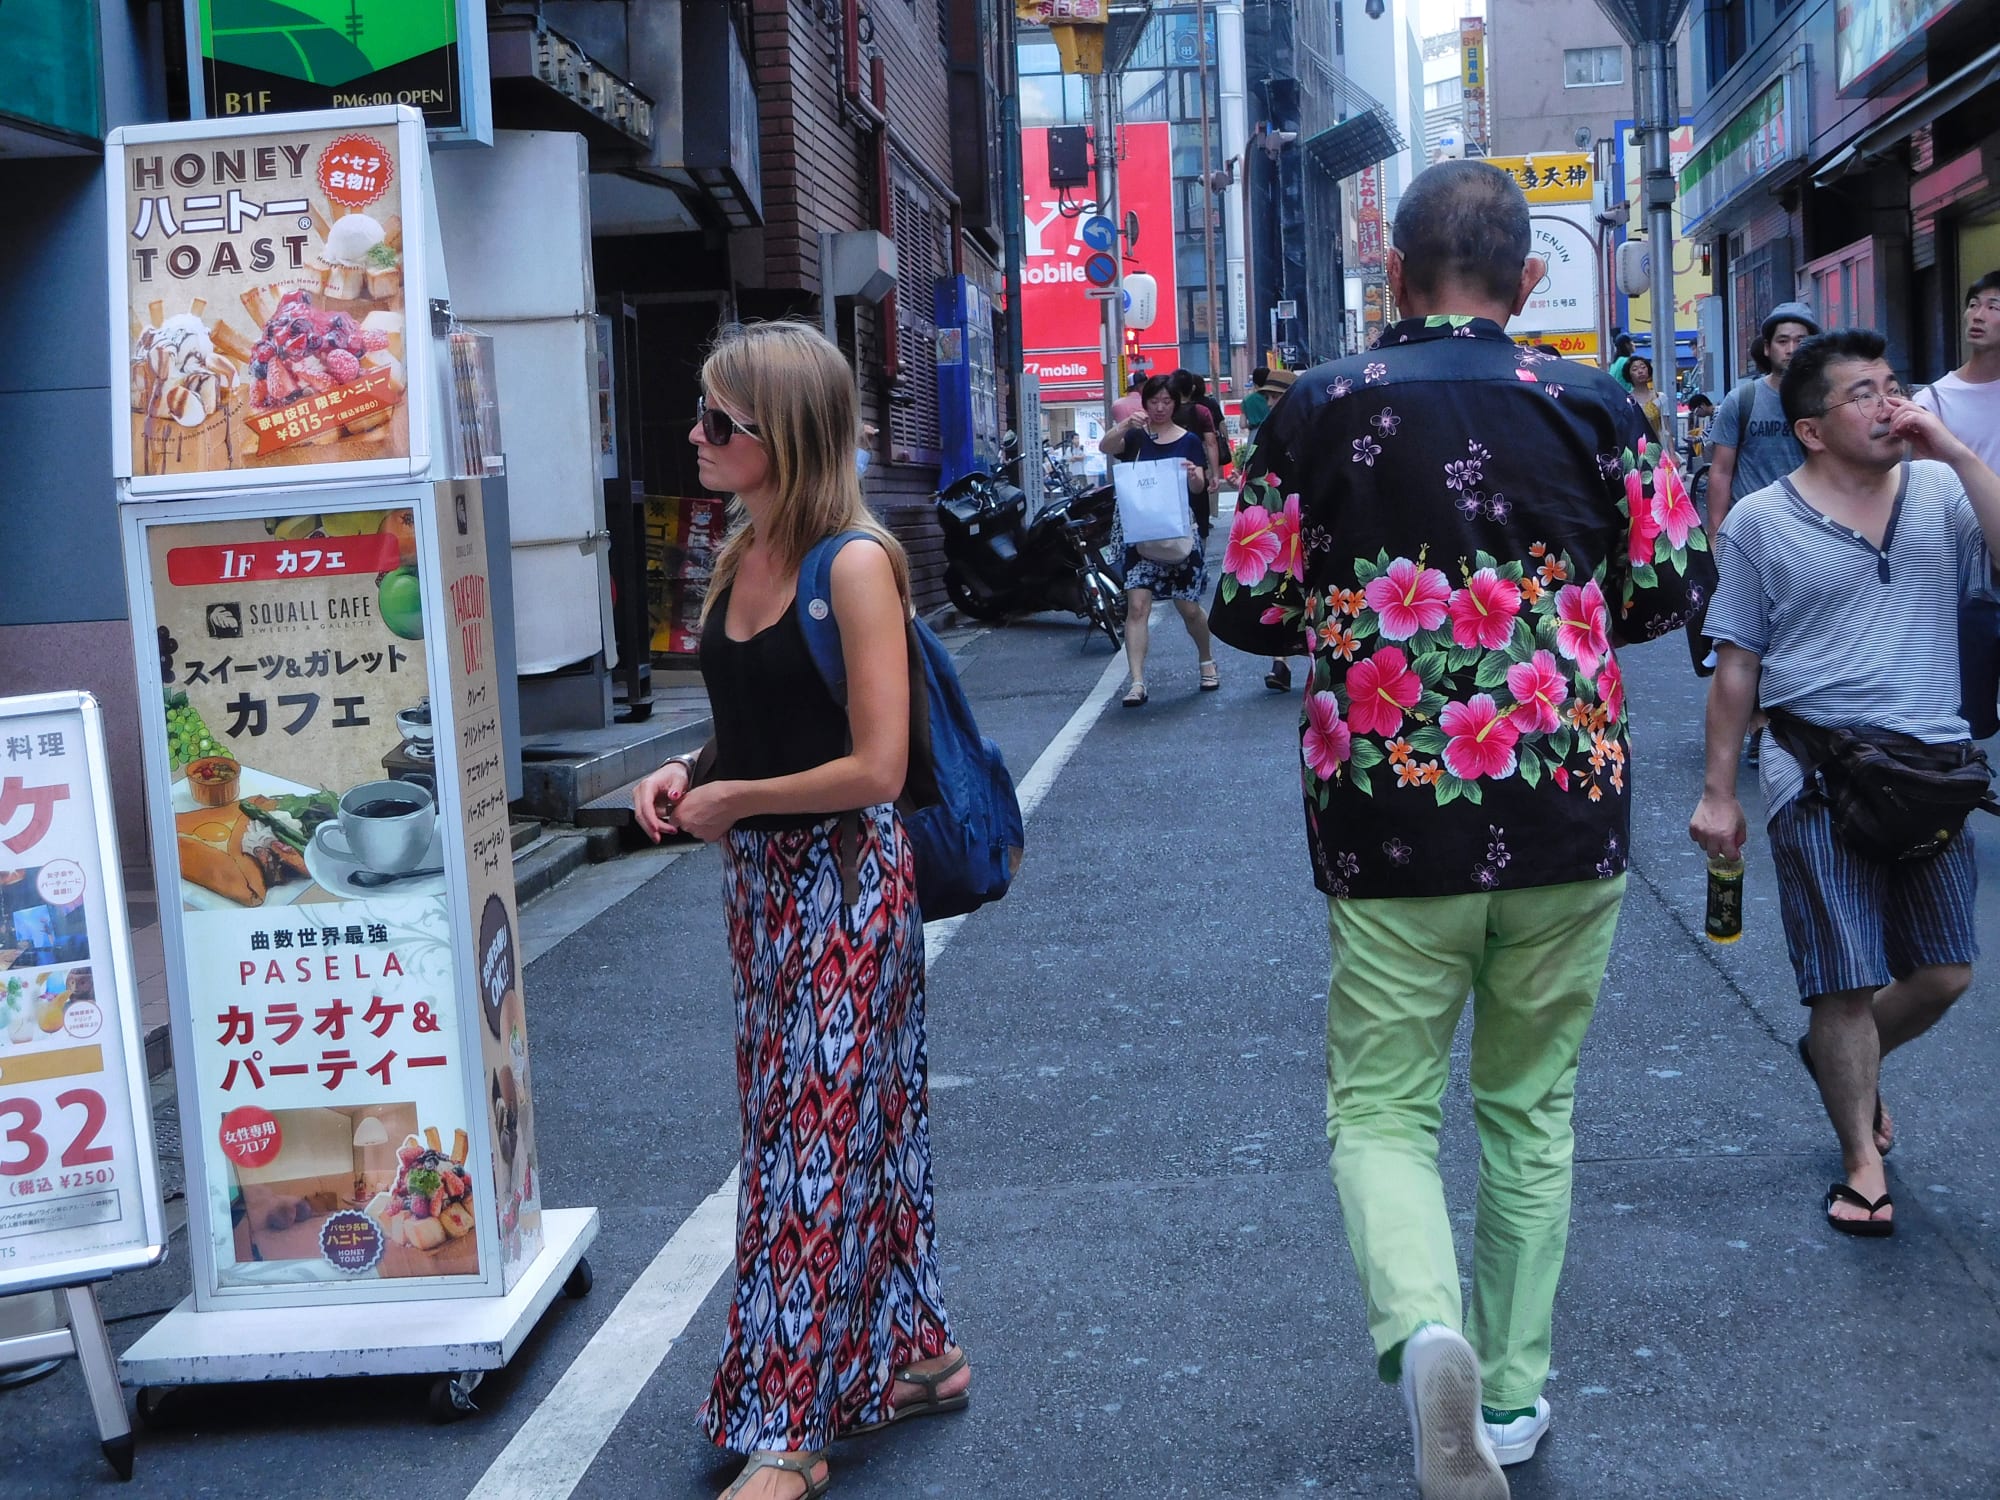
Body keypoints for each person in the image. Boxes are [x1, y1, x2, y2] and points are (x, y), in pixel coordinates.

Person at [1209, 159, 1712, 1498]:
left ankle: (1425, 1328)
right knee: (1530, 1111)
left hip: (1390, 818)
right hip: (1565, 805)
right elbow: (1668, 594)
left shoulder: (1313, 407)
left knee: (1380, 1107)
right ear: (1525, 280)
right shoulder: (1601, 404)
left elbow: (1248, 613)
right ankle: (1508, 1400)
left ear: (1396, 275)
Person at [631, 322, 969, 1500]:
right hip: (761, 894)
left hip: (843, 881)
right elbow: (763, 718)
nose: (696, 437)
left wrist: (737, 797)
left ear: (786, 436)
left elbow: (877, 768)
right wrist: (690, 772)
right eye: (701, 415)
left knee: (805, 1153)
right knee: (844, 1128)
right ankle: (919, 1351)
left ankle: (790, 1430)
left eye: (720, 423)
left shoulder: (855, 563)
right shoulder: (742, 551)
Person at [1689, 328, 2000, 1238]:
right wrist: (1719, 793)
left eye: (1892, 384)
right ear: (1814, 428)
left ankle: (1840, 1062)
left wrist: (1950, 446)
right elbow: (1736, 664)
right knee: (1845, 983)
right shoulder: (1760, 522)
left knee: (1944, 974)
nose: (1889, 402)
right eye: (1863, 392)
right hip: (1816, 769)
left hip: (1933, 768)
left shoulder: (1941, 490)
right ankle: (1863, 1160)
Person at [1099, 373, 1218, 705]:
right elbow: (1106, 447)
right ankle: (1136, 681)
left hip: (1179, 532)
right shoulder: (1136, 437)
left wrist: (1196, 476)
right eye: (1154, 402)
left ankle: (1206, 659)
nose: (1161, 408)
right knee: (1137, 606)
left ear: (1175, 404)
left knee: (1188, 607)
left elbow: (1196, 489)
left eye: (1167, 402)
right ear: (1145, 403)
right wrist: (1124, 426)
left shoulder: (1189, 440)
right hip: (1140, 535)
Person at [1916, 270, 2000, 738]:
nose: (1979, 315)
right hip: (1968, 579)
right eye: (1974, 303)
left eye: (1994, 306)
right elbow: (1931, 494)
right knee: (1969, 721)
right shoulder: (1934, 401)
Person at [1705, 301, 1821, 537]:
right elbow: (1721, 471)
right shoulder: (1741, 400)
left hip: (1810, 528)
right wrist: (1716, 535)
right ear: (1767, 348)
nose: (1791, 349)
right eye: (1783, 341)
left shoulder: (1827, 401)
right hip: (1752, 529)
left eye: (1801, 341)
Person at [1169, 368, 1223, 541]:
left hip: (1168, 471)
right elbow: (1211, 442)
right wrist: (1215, 474)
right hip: (1197, 468)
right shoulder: (1201, 411)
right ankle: (1199, 554)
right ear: (1192, 389)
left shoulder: (1166, 412)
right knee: (1200, 516)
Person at [1625, 355, 1664, 444]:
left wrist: (1672, 453)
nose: (1640, 371)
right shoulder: (1627, 401)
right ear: (1629, 375)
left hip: (1657, 448)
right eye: (1635, 369)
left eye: (1643, 367)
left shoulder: (1660, 397)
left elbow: (1666, 429)